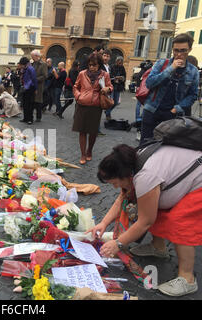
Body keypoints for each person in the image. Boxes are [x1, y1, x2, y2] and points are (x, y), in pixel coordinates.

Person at [89, 144, 202, 297]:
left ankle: (187, 279)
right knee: (152, 206)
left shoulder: (145, 177)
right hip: (183, 174)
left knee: (179, 221)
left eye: (114, 183)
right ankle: (158, 248)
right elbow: (123, 196)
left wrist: (118, 243)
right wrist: (103, 223)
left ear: (123, 176)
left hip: (198, 181)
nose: (115, 187)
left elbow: (145, 221)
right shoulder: (129, 164)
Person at [140, 33, 199, 146]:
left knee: (166, 149)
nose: (179, 54)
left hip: (173, 116)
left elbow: (193, 95)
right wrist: (171, 69)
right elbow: (149, 83)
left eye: (183, 50)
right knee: (145, 146)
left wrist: (177, 108)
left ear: (190, 50)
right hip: (152, 111)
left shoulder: (193, 71)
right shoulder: (161, 63)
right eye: (176, 50)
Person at [72, 53, 113, 164]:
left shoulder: (104, 75)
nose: (92, 67)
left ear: (99, 65)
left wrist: (107, 89)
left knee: (93, 132)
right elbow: (76, 86)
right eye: (90, 65)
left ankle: (89, 151)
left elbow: (110, 86)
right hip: (82, 105)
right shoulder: (82, 74)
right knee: (82, 131)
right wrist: (78, 96)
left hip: (96, 106)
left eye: (94, 65)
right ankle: (83, 154)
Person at [18, 56, 37, 125]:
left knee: (30, 104)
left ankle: (30, 119)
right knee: (25, 104)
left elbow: (34, 79)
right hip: (25, 88)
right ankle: (25, 118)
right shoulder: (25, 69)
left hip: (31, 88)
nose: (21, 66)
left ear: (25, 63)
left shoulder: (31, 69)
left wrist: (35, 89)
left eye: (22, 64)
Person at [31, 50, 48, 122]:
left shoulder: (43, 64)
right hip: (32, 85)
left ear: (37, 56)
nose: (32, 58)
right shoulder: (33, 63)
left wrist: (35, 79)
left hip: (39, 85)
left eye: (32, 56)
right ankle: (31, 116)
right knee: (32, 101)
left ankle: (38, 117)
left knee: (38, 101)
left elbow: (45, 76)